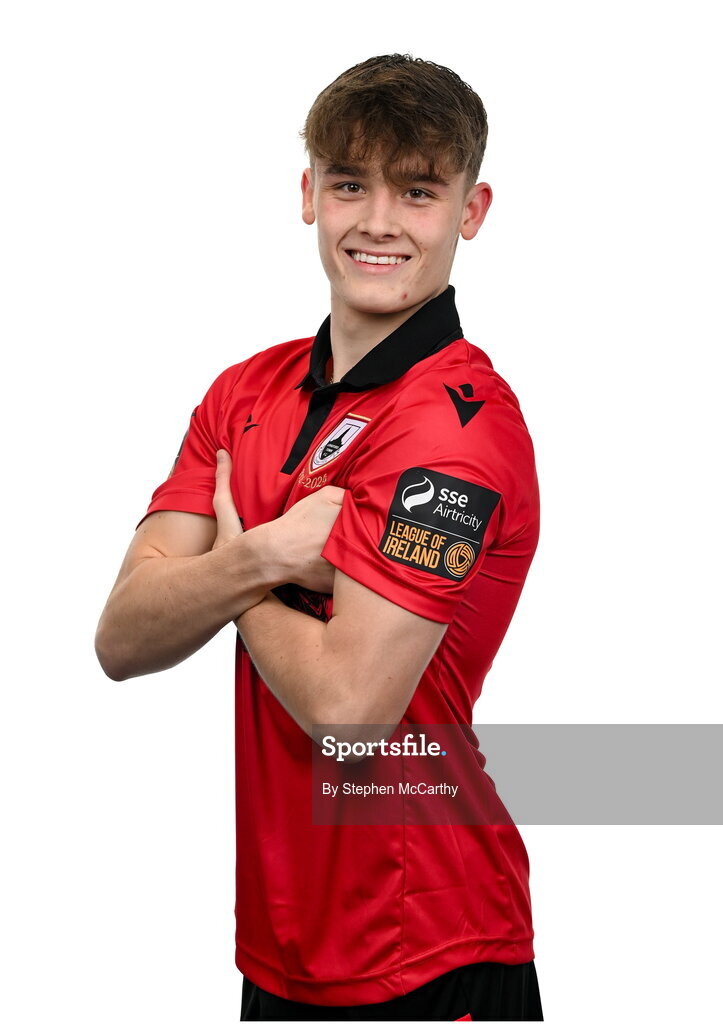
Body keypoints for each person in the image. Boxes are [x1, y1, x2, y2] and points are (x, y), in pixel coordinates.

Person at [96, 54, 543, 1021]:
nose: (377, 222)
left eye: (417, 191)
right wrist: (266, 553)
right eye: (349, 184)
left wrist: (223, 571)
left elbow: (350, 711)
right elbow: (123, 639)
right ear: (308, 194)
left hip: (427, 942)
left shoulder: (453, 428)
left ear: (471, 210)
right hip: (280, 945)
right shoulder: (245, 392)